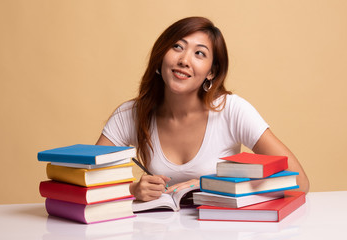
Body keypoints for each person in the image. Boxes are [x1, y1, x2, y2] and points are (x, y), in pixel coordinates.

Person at [96, 16, 309, 201]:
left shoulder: (232, 110)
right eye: (177, 47)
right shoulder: (130, 114)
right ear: (161, 56)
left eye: (199, 54)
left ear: (211, 72)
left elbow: (299, 182)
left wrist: (212, 183)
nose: (184, 60)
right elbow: (90, 185)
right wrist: (132, 189)